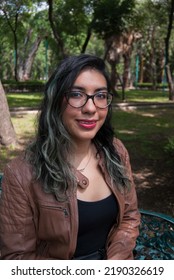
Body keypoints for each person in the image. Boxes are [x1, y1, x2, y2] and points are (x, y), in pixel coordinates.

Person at [0, 54, 140, 260]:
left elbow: (129, 216)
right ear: (56, 100)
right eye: (76, 94)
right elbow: (16, 258)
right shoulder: (22, 174)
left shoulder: (116, 151)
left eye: (100, 95)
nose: (91, 108)